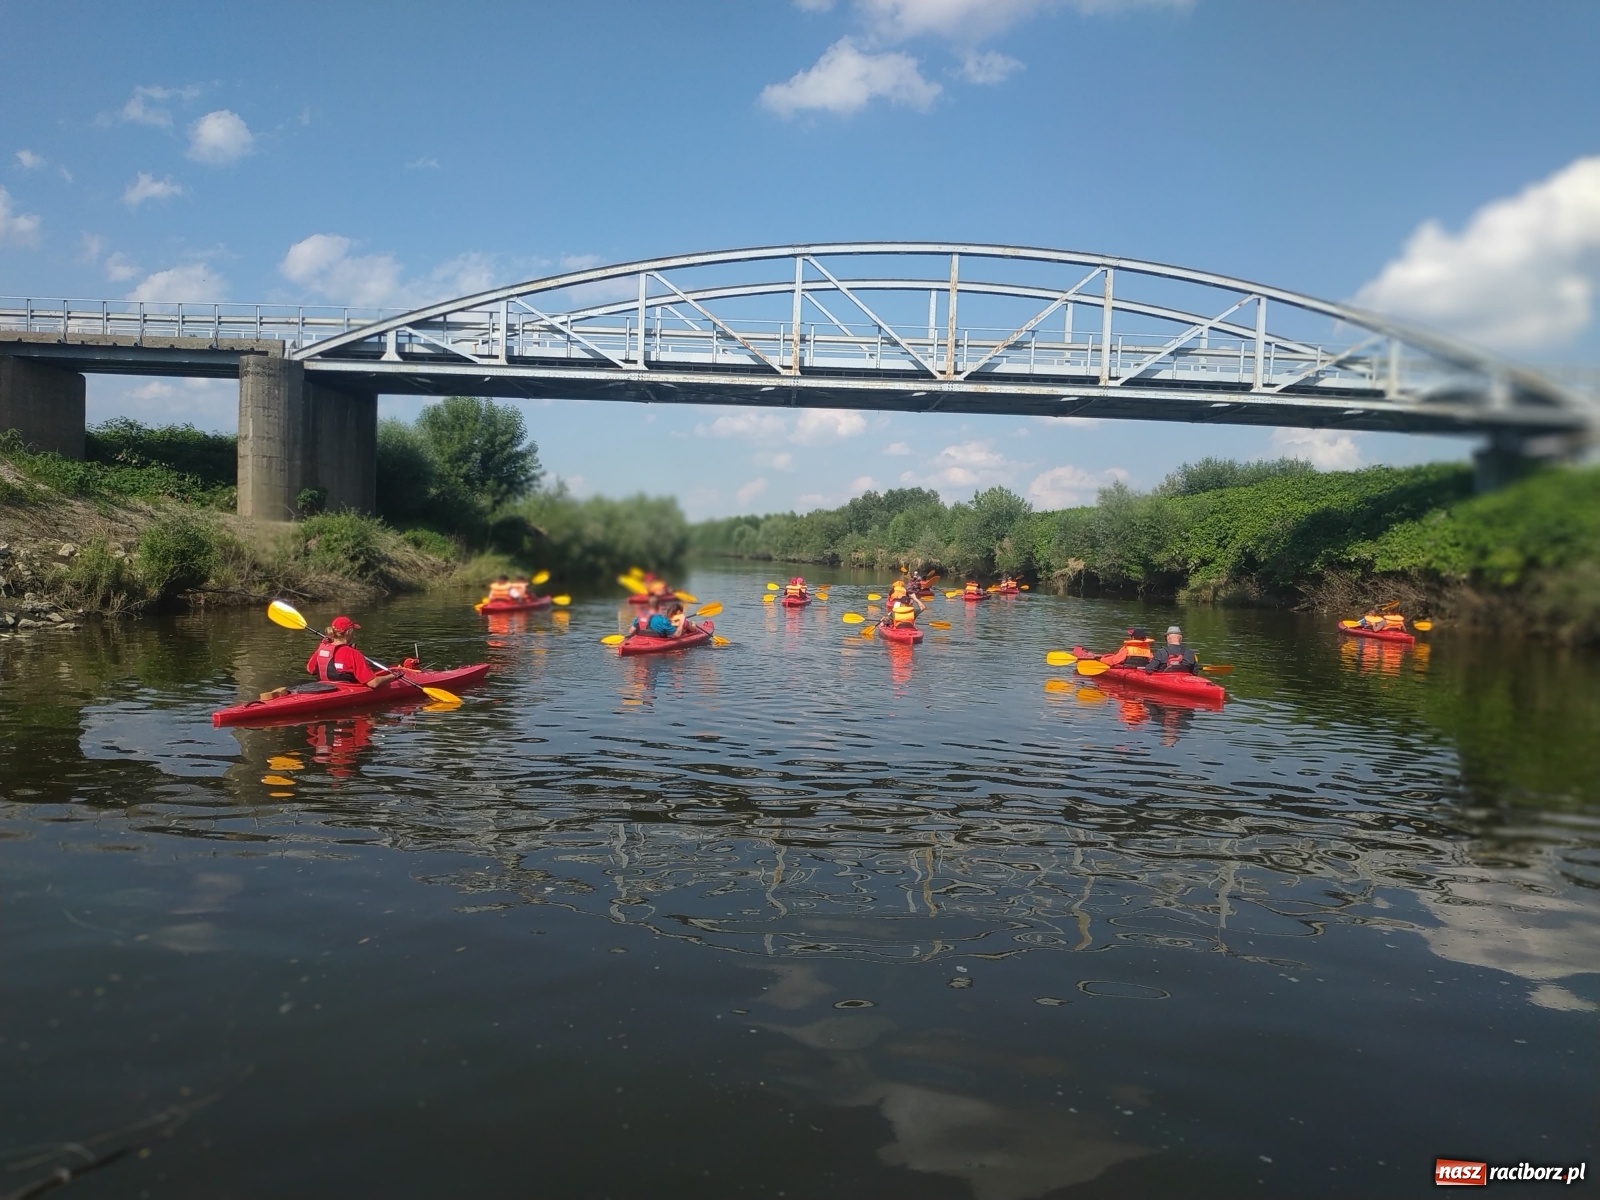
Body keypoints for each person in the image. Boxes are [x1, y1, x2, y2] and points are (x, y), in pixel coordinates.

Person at [304, 616, 399, 688]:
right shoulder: (353, 653)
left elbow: (310, 669)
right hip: (346, 690)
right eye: (352, 630)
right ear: (348, 632)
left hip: (325, 687)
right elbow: (373, 683)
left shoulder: (323, 648)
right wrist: (393, 676)